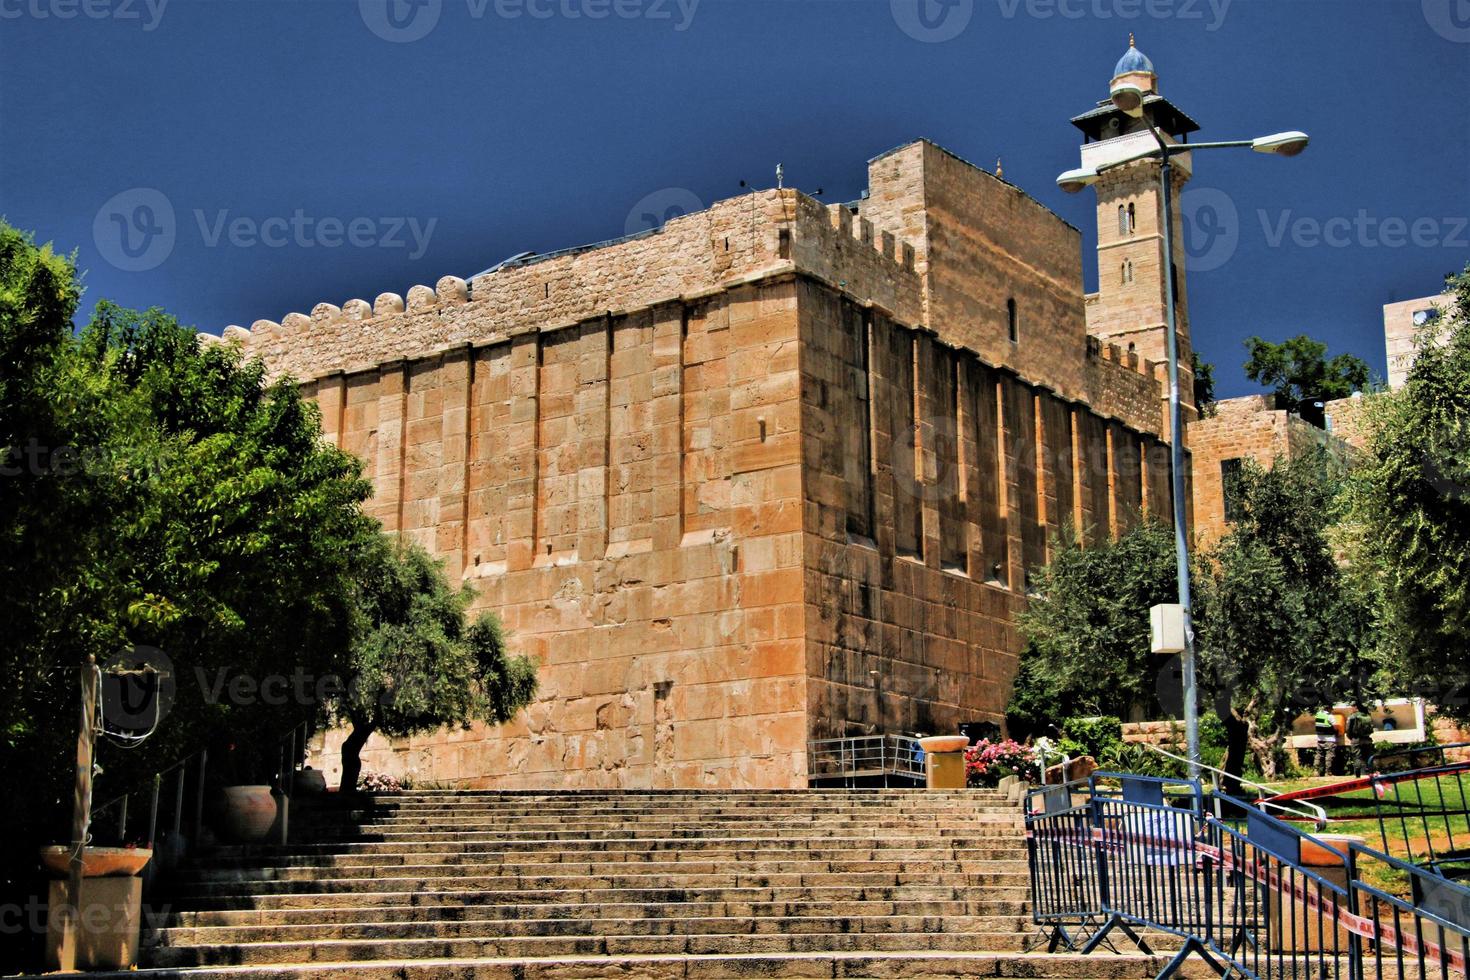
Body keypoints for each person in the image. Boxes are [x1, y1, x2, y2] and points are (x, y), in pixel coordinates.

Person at [1347, 711, 1376, 775]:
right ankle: (1369, 772)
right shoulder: (1367, 716)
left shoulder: (1352, 716)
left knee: (1357, 757)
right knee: (1368, 757)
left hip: (1356, 739)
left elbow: (1348, 729)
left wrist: (1351, 738)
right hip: (1367, 739)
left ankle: (1359, 774)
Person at [1313, 708, 1338, 777]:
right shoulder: (1330, 716)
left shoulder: (1318, 715)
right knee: (1329, 756)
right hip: (1329, 739)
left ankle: (1315, 771)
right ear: (1328, 708)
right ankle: (1328, 772)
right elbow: (1335, 728)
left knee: (1318, 755)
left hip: (1320, 739)